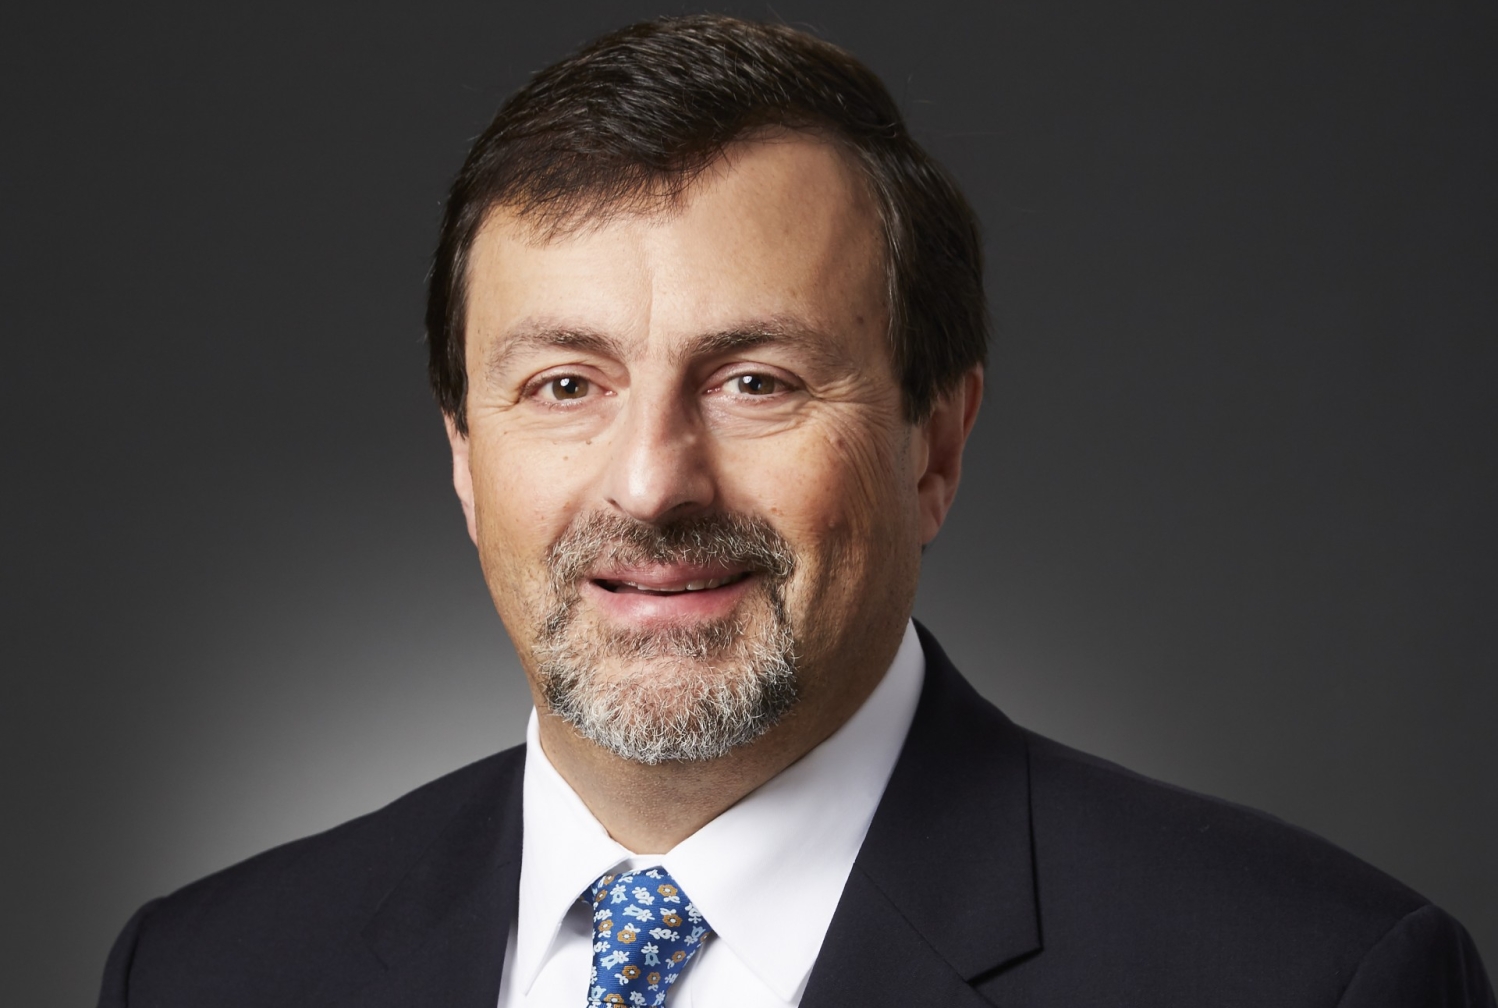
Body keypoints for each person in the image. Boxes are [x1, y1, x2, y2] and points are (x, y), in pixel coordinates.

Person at [98, 14, 1493, 1008]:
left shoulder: (1304, 976)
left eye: (755, 379)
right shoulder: (208, 971)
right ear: (464, 456)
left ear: (933, 443)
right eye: (564, 382)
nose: (650, 482)